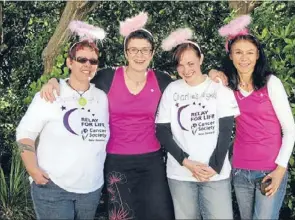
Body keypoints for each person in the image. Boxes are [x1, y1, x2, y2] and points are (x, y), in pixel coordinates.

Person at [40, 12, 175, 220]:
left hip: (152, 162)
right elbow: (78, 81)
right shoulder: (108, 77)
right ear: (126, 52)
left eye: (145, 50)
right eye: (134, 50)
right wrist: (55, 82)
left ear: (152, 52)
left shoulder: (161, 80)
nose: (139, 55)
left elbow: (188, 87)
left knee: (159, 214)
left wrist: (213, 74)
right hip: (116, 161)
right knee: (122, 215)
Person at [16, 21, 110, 220]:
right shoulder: (51, 94)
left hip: (91, 190)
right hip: (54, 187)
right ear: (69, 62)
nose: (87, 65)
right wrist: (32, 168)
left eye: (93, 61)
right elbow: (25, 133)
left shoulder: (103, 97)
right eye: (82, 59)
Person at [213, 15, 295, 219]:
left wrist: (279, 171)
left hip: (270, 170)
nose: (244, 58)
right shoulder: (227, 87)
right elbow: (205, 82)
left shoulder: (271, 83)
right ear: (230, 56)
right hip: (241, 170)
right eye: (238, 52)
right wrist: (212, 72)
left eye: (250, 52)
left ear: (258, 55)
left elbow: (290, 131)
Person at [156, 28, 240, 219]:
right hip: (180, 174)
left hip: (215, 173)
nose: (186, 70)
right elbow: (162, 131)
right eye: (180, 65)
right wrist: (186, 162)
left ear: (201, 59)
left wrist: (215, 166)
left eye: (191, 63)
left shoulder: (219, 89)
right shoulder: (172, 89)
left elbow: (227, 130)